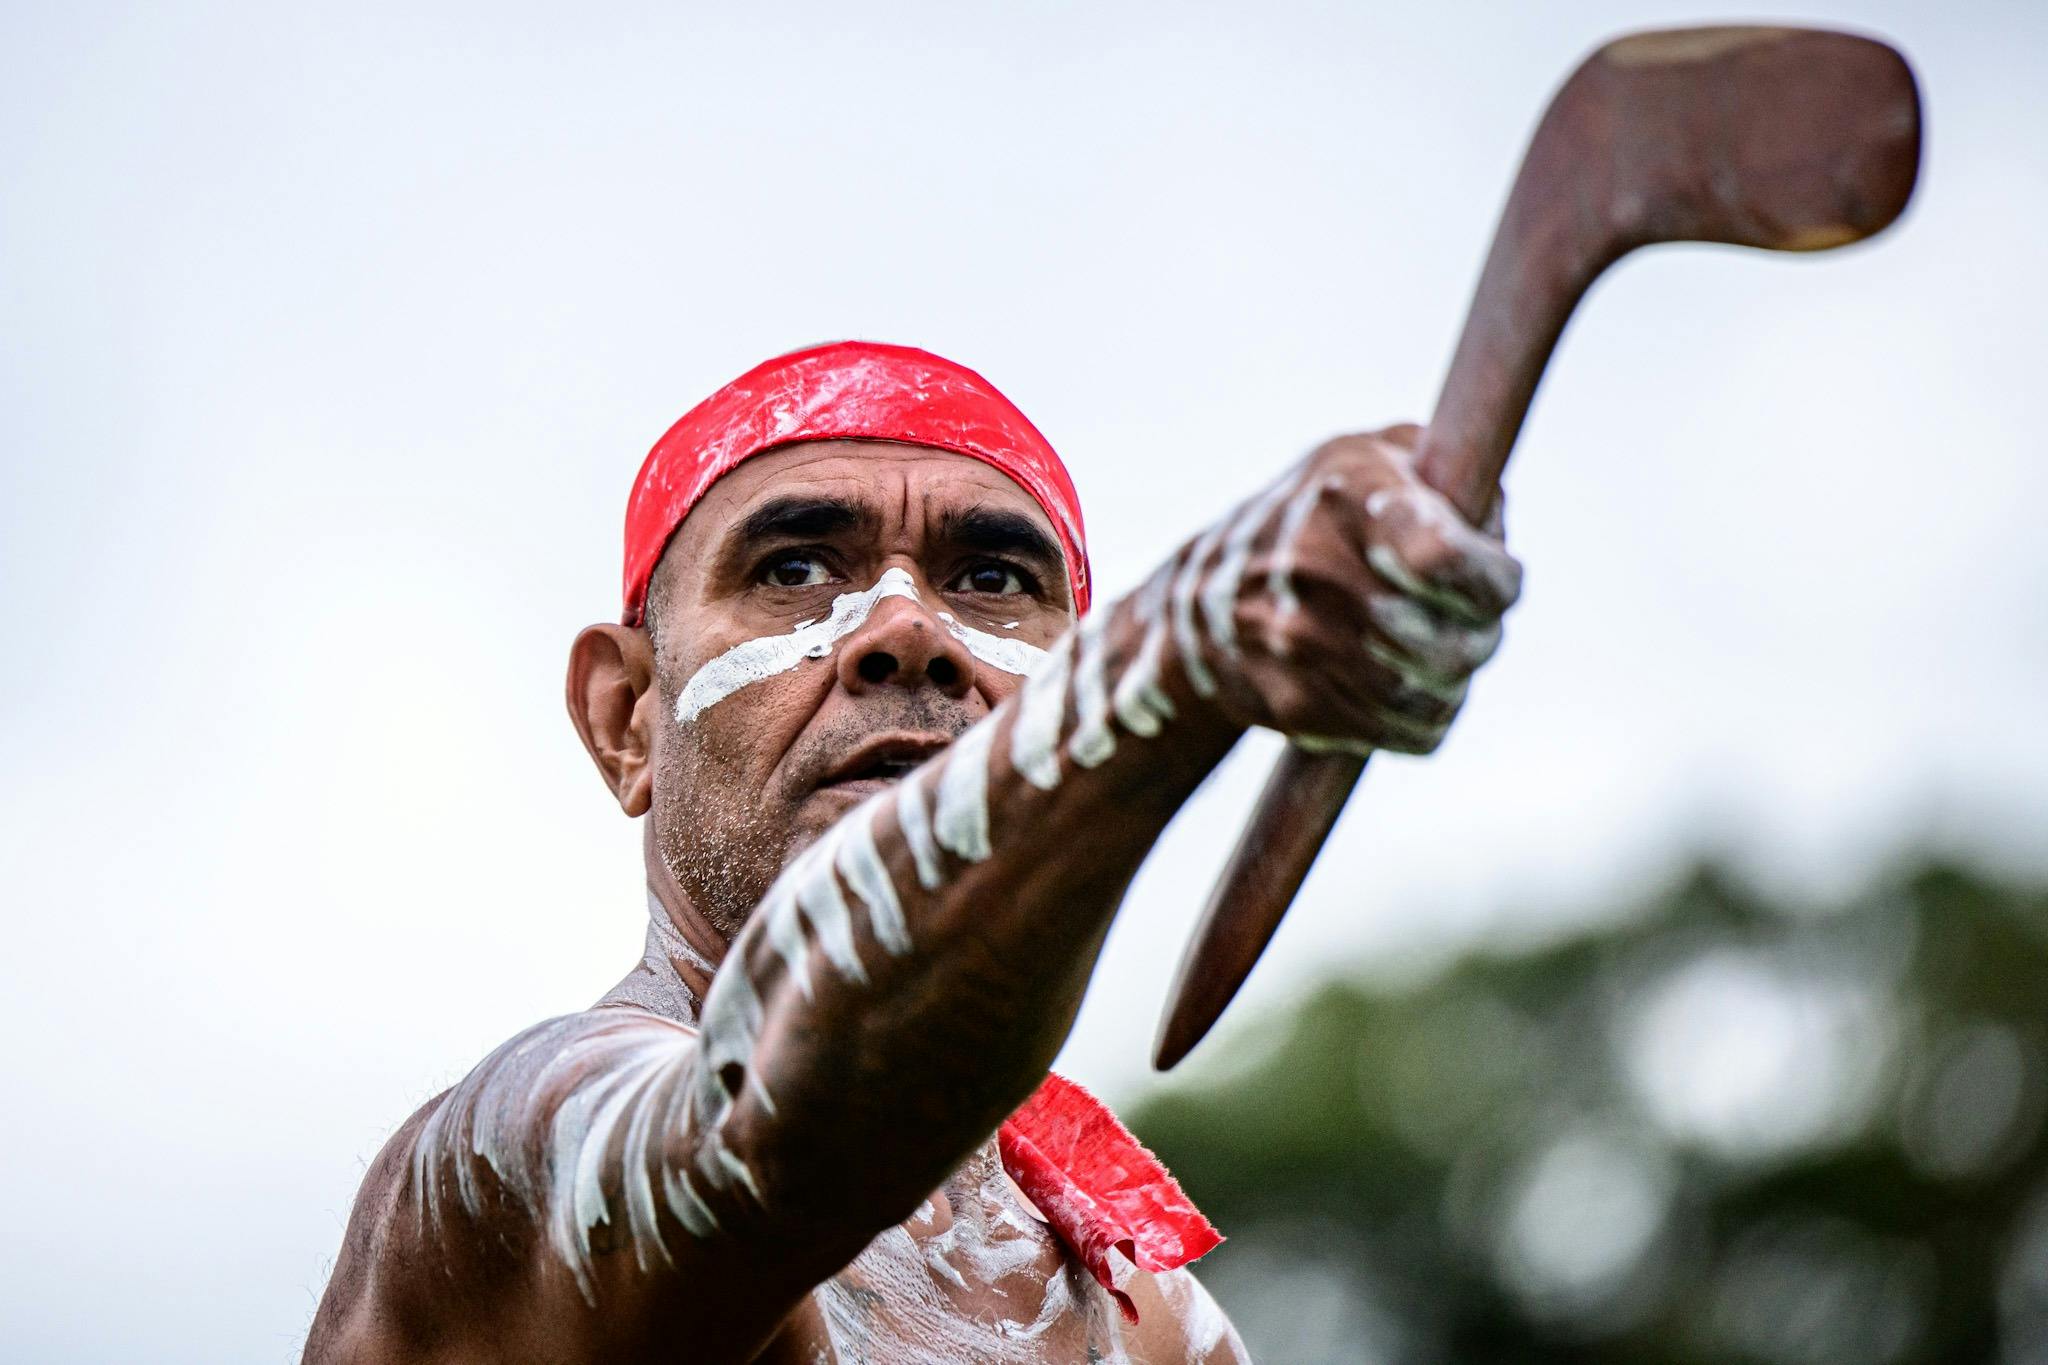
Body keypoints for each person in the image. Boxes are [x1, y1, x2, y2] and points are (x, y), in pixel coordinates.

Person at [303, 340, 1520, 1363]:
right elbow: (760, 1142)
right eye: (792, 570)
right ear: (627, 718)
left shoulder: (1145, 1319)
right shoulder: (508, 1168)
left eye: (991, 578)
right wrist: (1182, 659)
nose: (905, 631)